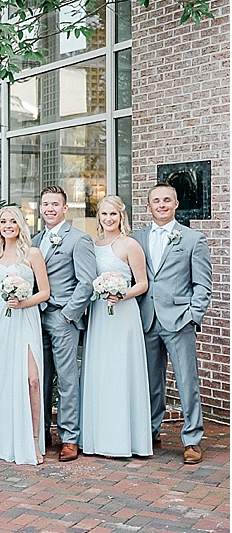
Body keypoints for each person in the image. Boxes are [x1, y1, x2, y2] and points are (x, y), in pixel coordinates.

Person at [131, 183, 212, 464]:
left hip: (179, 320)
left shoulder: (192, 239)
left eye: (167, 200)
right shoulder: (136, 238)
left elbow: (203, 285)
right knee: (151, 382)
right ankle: (151, 431)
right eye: (156, 201)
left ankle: (192, 439)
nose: (162, 205)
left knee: (186, 380)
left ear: (176, 204)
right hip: (146, 318)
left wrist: (193, 315)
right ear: (149, 205)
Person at [80, 196, 152, 458]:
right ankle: (98, 438)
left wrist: (122, 294)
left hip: (123, 314)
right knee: (101, 371)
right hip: (99, 313)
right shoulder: (92, 244)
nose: (108, 219)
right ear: (98, 217)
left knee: (120, 371)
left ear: (121, 216)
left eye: (113, 214)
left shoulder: (129, 244)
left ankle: (123, 440)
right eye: (104, 214)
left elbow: (142, 283)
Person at [31, 185, 96, 462]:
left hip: (62, 317)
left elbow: (86, 281)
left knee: (67, 380)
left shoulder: (78, 240)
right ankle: (42, 431)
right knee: (39, 379)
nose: (49, 209)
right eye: (45, 204)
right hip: (35, 317)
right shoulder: (34, 241)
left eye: (55, 204)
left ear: (65, 208)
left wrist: (68, 314)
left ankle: (69, 437)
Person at [0, 206, 51, 466]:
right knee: (5, 381)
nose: (8, 225)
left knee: (32, 379)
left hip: (26, 318)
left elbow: (44, 292)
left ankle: (33, 439)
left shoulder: (33, 254)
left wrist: (24, 303)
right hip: (2, 321)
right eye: (3, 221)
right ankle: (6, 439)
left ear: (21, 224)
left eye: (12, 221)